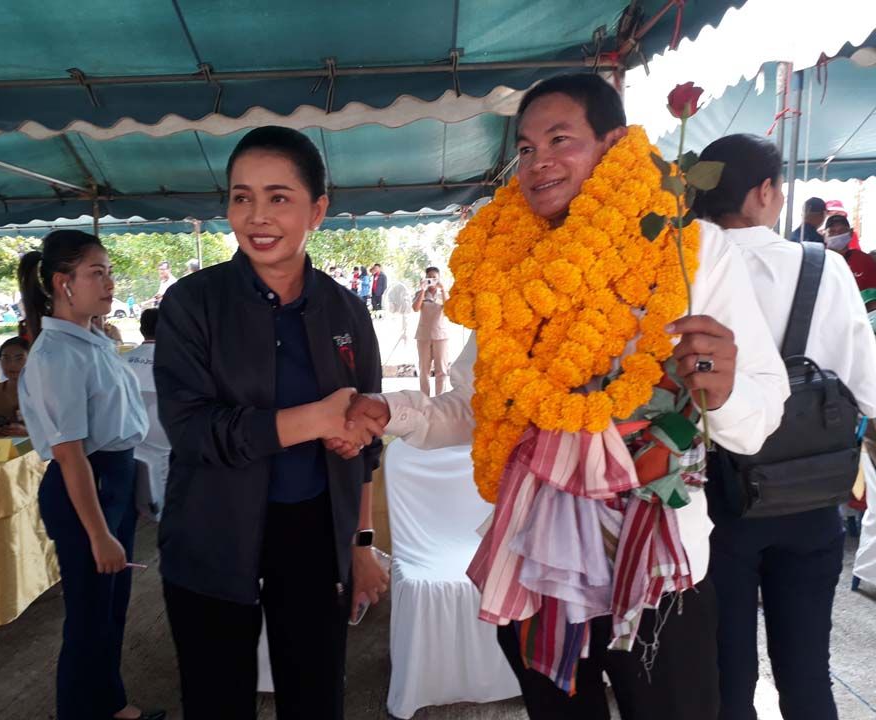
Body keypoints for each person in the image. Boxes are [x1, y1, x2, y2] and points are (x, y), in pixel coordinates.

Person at [336, 74, 788, 720]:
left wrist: (724, 392)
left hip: (656, 566)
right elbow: (478, 404)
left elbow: (759, 417)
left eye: (559, 140)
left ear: (614, 144)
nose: (537, 161)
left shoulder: (688, 248)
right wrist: (393, 412)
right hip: (539, 563)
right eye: (525, 148)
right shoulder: (511, 270)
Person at [154, 126, 389, 720]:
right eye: (242, 197)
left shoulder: (346, 310)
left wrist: (361, 544)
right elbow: (193, 430)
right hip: (211, 531)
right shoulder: (191, 304)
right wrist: (314, 419)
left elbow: (366, 445)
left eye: (278, 197)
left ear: (317, 210)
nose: (257, 216)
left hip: (314, 537)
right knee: (216, 701)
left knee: (315, 698)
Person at [692, 133, 876, 720]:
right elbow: (868, 389)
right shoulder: (825, 267)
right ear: (765, 191)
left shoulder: (681, 265)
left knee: (726, 678)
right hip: (811, 492)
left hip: (713, 499)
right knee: (807, 674)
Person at [16, 230, 161, 720]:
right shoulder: (57, 354)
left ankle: (109, 702)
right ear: (64, 283)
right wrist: (98, 533)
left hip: (112, 480)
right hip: (86, 486)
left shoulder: (92, 339)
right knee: (88, 617)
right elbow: (70, 453)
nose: (110, 284)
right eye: (97, 274)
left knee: (110, 609)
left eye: (109, 273)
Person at [123, 309, 170, 521]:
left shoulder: (121, 359)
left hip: (128, 427)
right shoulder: (176, 361)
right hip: (163, 427)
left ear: (142, 329)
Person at [412, 266, 450, 396]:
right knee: (424, 370)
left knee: (441, 370)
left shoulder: (443, 294)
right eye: (429, 277)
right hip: (423, 336)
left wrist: (443, 289)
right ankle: (425, 398)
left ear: (439, 279)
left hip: (441, 336)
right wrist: (423, 290)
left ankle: (440, 398)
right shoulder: (420, 293)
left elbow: (449, 309)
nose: (432, 280)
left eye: (434, 278)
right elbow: (415, 308)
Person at [824, 213, 876, 290]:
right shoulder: (818, 260)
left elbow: (873, 291)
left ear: (851, 233)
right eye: (832, 231)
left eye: (842, 231)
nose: (837, 234)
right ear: (824, 235)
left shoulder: (864, 259)